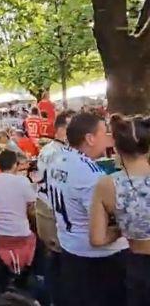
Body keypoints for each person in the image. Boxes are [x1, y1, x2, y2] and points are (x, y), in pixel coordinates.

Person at [45, 111, 128, 306]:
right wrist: (124, 229)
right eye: (104, 132)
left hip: (69, 247)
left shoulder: (56, 159)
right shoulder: (90, 176)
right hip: (98, 261)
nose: (108, 137)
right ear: (90, 138)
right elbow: (100, 234)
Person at [90, 113, 150, 306]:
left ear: (116, 148)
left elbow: (97, 238)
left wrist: (123, 229)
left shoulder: (107, 185)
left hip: (138, 265)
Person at [0, 149, 38, 281]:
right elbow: (31, 207)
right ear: (15, 164)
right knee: (36, 234)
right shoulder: (22, 181)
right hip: (19, 234)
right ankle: (29, 273)